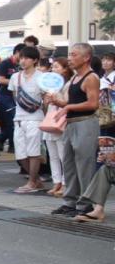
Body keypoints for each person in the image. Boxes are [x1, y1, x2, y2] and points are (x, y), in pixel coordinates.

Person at [49, 43, 101, 217]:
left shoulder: (91, 77)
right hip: (71, 124)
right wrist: (58, 103)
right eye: (69, 55)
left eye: (74, 55)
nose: (70, 58)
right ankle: (70, 202)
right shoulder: (74, 78)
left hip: (85, 123)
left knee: (84, 165)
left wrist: (67, 106)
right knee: (69, 164)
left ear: (86, 57)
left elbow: (93, 103)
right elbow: (72, 102)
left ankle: (86, 204)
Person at [10, 47, 46, 193]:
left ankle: (32, 182)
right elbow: (15, 96)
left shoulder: (42, 77)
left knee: (34, 152)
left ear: (35, 60)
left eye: (27, 58)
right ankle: (35, 180)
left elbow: (46, 99)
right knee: (20, 153)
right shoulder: (15, 77)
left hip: (35, 118)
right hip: (19, 118)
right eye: (21, 58)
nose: (23, 61)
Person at [43, 57, 69, 197]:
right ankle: (56, 181)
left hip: (61, 121)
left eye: (57, 67)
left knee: (62, 154)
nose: (53, 69)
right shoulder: (49, 85)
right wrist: (47, 101)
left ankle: (65, 183)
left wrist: (55, 99)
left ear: (65, 69)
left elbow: (66, 103)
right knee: (52, 155)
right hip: (50, 119)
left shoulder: (67, 84)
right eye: (53, 67)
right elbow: (47, 106)